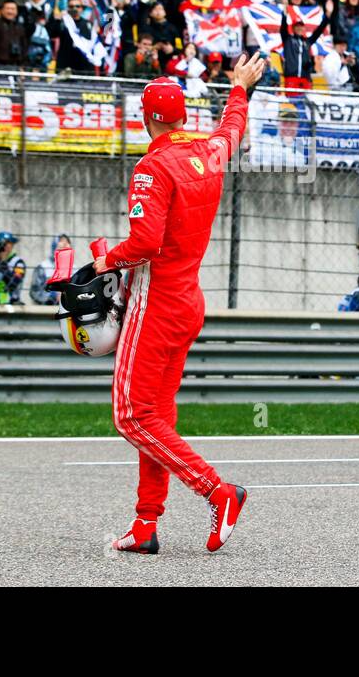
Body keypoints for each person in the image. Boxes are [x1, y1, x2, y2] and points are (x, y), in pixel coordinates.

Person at [95, 52, 268, 555]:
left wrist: (107, 258)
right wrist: (239, 88)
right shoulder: (209, 152)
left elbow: (145, 243)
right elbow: (232, 128)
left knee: (131, 416)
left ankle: (218, 491)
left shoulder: (152, 166)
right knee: (156, 417)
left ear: (146, 119)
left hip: (157, 306)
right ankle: (146, 525)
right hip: (190, 301)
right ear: (182, 116)